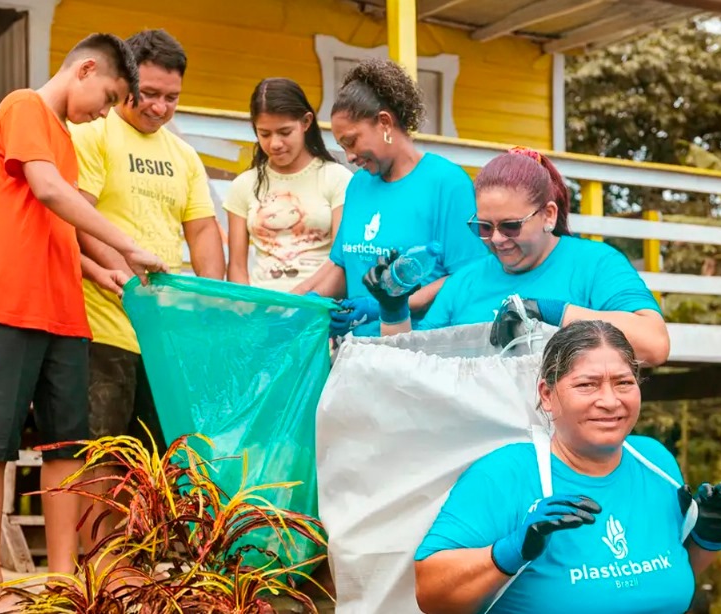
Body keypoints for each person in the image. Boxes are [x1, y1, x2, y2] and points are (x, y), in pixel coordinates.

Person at [0, 33, 166, 614]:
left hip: (64, 311)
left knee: (67, 445)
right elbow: (45, 192)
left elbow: (58, 229)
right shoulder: (24, 106)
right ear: (85, 69)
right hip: (5, 304)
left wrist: (100, 272)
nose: (105, 110)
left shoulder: (67, 141)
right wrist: (129, 246)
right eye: (109, 95)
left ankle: (66, 577)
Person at [413, 320, 721, 614]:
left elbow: (665, 576)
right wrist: (511, 550)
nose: (610, 401)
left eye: (624, 383)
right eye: (587, 385)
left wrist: (709, 537)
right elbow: (430, 594)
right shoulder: (506, 473)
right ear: (547, 395)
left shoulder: (655, 461)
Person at [364, 147, 672, 366]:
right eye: (484, 227)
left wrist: (552, 313)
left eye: (511, 226)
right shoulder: (465, 281)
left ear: (548, 215)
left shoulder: (595, 264)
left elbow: (654, 347)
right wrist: (394, 311)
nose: (497, 240)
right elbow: (406, 367)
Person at [70, 28, 225, 456]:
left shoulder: (184, 155)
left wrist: (211, 306)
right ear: (126, 83)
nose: (159, 107)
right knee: (98, 461)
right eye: (149, 93)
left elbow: (203, 230)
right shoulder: (93, 134)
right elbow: (77, 217)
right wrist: (125, 278)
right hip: (102, 326)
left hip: (163, 335)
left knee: (161, 467)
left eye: (171, 98)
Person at [292, 58, 486, 336]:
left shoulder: (447, 183)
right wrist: (296, 302)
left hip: (420, 351)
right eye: (342, 146)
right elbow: (342, 265)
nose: (348, 156)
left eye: (352, 141)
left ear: (384, 122)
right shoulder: (358, 184)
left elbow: (466, 277)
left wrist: (383, 305)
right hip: (356, 353)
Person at [224, 78, 353, 291]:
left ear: (306, 122)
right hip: (261, 313)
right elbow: (237, 267)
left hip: (319, 308)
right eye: (264, 134)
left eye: (285, 132)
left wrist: (301, 300)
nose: (275, 144)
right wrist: (247, 308)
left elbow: (341, 259)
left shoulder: (337, 179)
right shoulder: (243, 185)